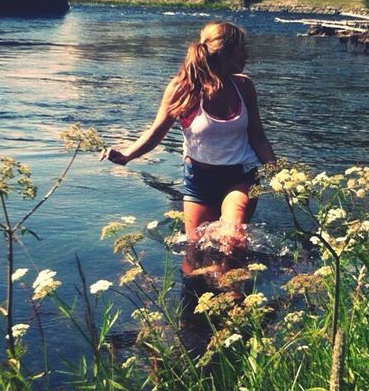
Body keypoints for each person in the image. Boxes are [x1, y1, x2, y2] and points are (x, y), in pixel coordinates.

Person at [100, 20, 275, 259]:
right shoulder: (183, 90)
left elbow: (258, 137)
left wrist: (280, 176)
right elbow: (155, 133)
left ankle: (234, 295)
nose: (248, 55)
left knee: (231, 240)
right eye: (241, 48)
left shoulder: (244, 86)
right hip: (198, 182)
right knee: (194, 254)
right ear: (224, 53)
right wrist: (127, 155)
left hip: (240, 177)